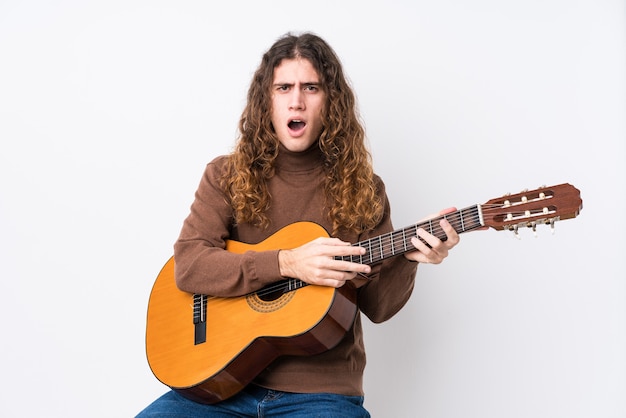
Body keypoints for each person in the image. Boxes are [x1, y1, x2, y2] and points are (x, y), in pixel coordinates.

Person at [137, 32, 460, 417]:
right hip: (221, 385)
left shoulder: (365, 190)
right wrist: (286, 263)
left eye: (311, 87)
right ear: (267, 101)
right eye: (284, 87)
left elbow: (377, 307)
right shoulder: (226, 174)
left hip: (322, 395)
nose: (297, 101)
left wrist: (409, 257)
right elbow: (189, 265)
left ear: (331, 103)